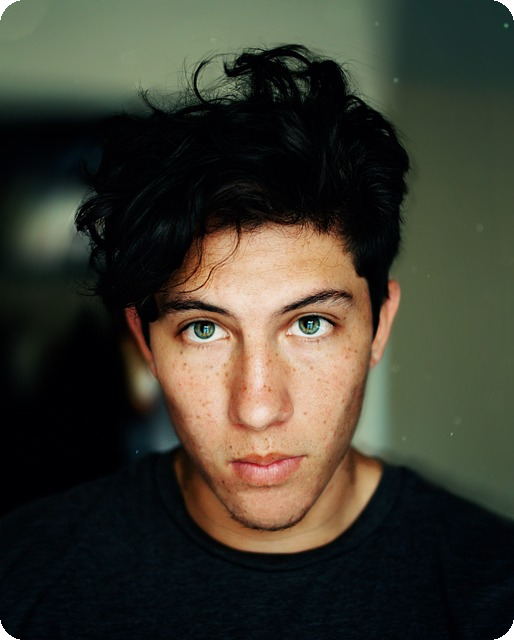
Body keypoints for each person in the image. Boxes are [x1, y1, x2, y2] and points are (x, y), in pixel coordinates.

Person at [1, 43, 512, 640]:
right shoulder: (21, 579)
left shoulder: (492, 591)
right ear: (145, 342)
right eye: (205, 329)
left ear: (380, 324)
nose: (259, 407)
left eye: (309, 323)